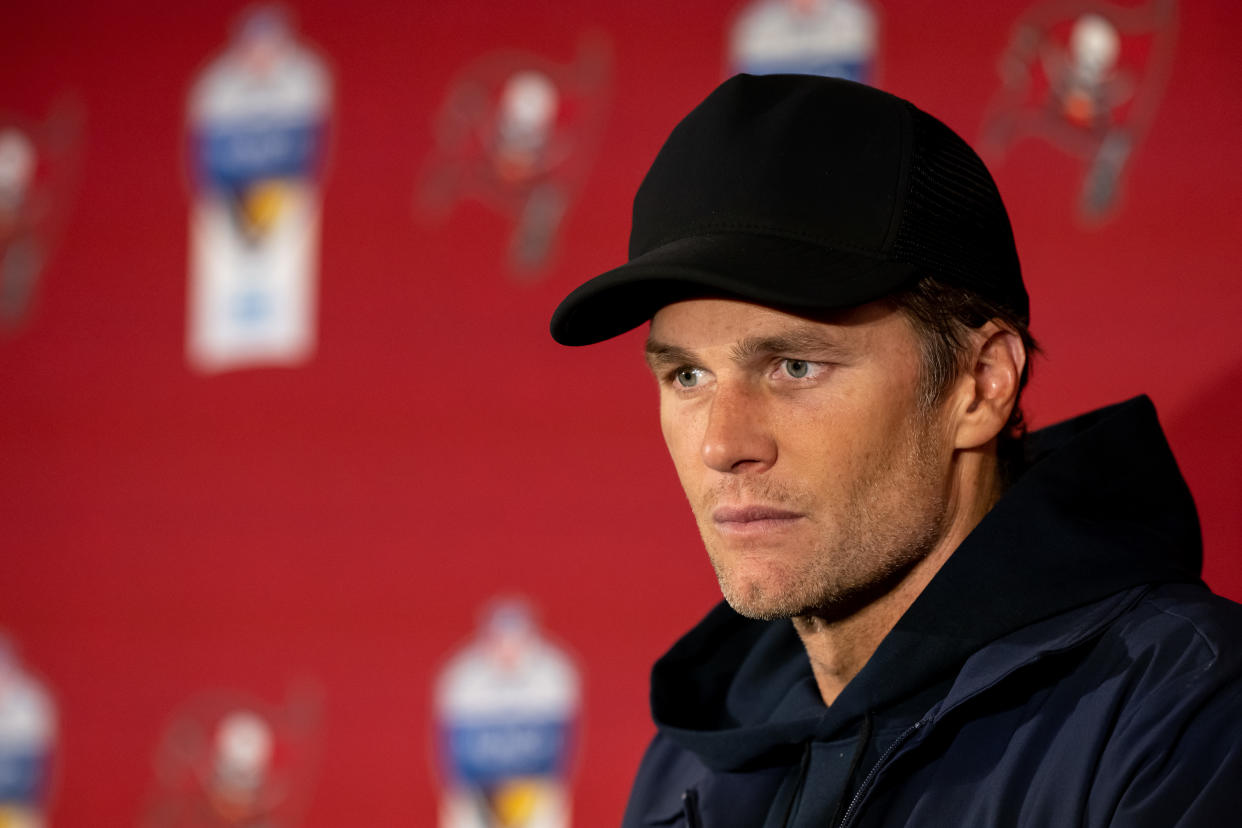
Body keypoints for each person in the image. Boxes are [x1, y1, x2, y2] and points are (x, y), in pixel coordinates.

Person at [549, 74, 1242, 828]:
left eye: (795, 367)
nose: (722, 444)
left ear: (979, 386)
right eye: (687, 375)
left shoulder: (1185, 715)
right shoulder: (691, 762)